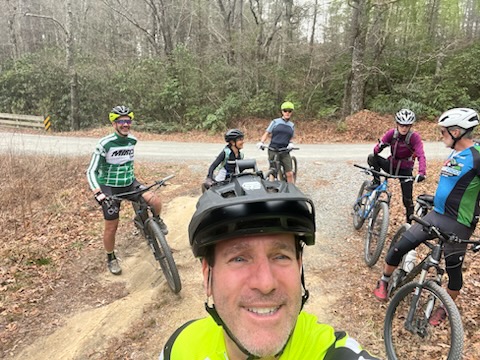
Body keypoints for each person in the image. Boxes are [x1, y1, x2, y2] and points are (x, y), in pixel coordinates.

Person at [160, 173, 380, 359]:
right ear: (208, 275)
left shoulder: (333, 353)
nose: (265, 284)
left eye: (280, 256)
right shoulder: (179, 348)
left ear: (299, 266)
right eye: (239, 258)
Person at [373, 107, 480, 326]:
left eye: (443, 132)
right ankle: (383, 280)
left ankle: (444, 307)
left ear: (457, 131)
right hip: (436, 215)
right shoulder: (456, 153)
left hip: (459, 225)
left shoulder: (477, 156)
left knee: (453, 272)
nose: (441, 137)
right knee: (398, 248)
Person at [87, 105, 167, 275]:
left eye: (128, 120)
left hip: (129, 183)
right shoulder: (104, 144)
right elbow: (91, 171)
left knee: (155, 200)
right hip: (109, 187)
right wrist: (98, 193)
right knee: (111, 226)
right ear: (114, 124)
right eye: (121, 121)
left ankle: (156, 221)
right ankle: (111, 257)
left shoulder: (132, 140)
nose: (125, 124)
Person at [367, 108, 427, 223]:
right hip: (391, 165)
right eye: (401, 125)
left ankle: (408, 224)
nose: (404, 128)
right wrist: (379, 147)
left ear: (410, 126)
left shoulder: (414, 137)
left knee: (408, 200)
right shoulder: (392, 133)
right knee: (371, 157)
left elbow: (421, 155)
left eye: (407, 125)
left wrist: (422, 172)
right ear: (397, 124)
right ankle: (376, 182)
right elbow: (377, 148)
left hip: (405, 170)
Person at [257, 101, 296, 183]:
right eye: (285, 110)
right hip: (273, 149)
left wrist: (291, 143)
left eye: (289, 111)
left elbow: (291, 137)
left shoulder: (291, 125)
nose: (287, 113)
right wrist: (262, 142)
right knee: (273, 171)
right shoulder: (275, 122)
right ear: (282, 111)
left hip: (284, 151)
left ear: (292, 112)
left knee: (289, 173)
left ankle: (291, 189)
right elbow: (267, 133)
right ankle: (271, 189)